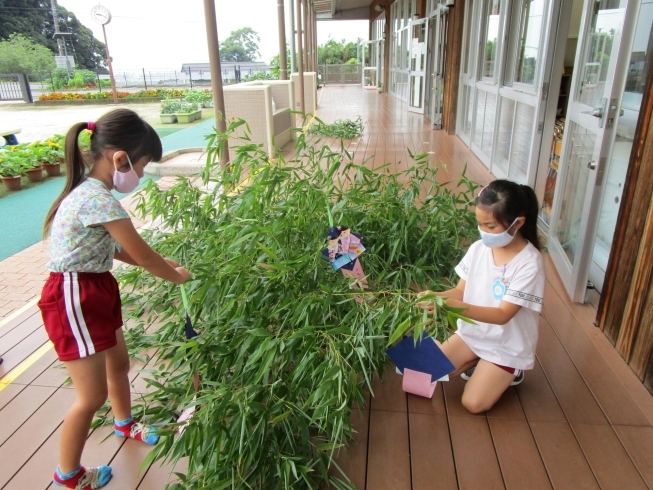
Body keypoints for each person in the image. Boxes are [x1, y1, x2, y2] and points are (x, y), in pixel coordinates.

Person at [39, 109, 191, 489]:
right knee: (90, 397)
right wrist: (173, 275)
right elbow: (140, 254)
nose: (138, 175)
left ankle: (124, 423)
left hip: (95, 287)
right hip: (76, 295)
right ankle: (69, 475)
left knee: (118, 363)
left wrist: (160, 262)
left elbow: (117, 247)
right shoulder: (97, 199)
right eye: (140, 166)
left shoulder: (93, 194)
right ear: (119, 158)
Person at [418, 179, 545, 414]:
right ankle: (477, 361)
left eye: (491, 227)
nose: (484, 232)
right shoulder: (479, 249)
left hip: (506, 343)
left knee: (473, 403)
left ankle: (511, 371)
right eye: (480, 224)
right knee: (424, 371)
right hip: (473, 332)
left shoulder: (529, 263)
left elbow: (503, 315)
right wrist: (435, 296)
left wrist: (455, 307)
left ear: (517, 223)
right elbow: (459, 291)